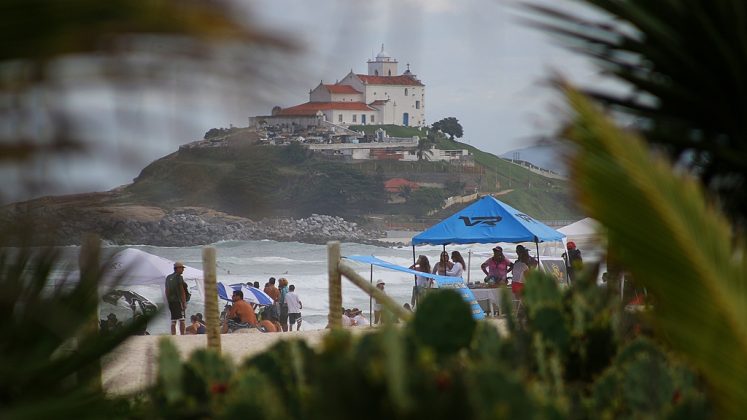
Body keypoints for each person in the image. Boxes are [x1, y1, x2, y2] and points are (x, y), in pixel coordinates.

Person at [165, 261, 189, 335]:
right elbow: (182, 291)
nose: (183, 270)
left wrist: (168, 300)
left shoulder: (168, 277)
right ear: (177, 268)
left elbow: (166, 291)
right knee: (182, 320)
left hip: (171, 302)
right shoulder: (179, 277)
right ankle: (182, 335)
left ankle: (173, 335)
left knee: (173, 320)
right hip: (178, 301)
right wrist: (184, 303)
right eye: (182, 268)